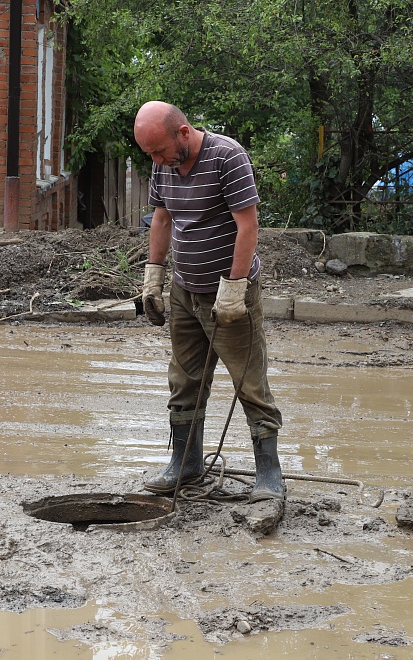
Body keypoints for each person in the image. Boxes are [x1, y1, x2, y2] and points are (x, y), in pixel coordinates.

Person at [133, 101, 284, 503]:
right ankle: (186, 463)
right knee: (184, 380)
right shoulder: (163, 163)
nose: (157, 160)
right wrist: (154, 276)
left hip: (227, 290)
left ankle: (269, 474)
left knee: (249, 382)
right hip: (184, 290)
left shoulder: (227, 157)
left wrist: (234, 288)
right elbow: (162, 219)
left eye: (160, 150)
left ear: (183, 132)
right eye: (150, 154)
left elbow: (247, 226)